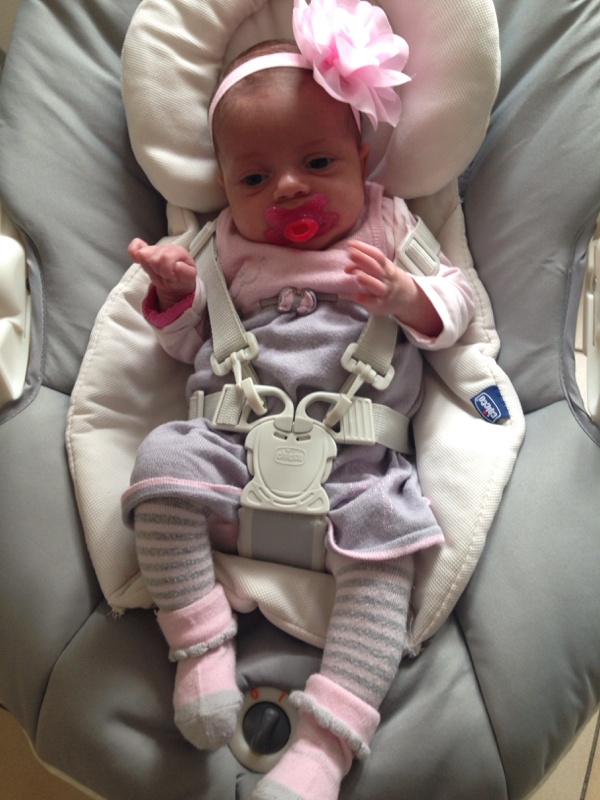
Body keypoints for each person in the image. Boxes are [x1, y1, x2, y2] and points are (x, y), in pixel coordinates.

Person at [122, 2, 474, 798]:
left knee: (392, 557)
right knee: (158, 466)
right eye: (254, 178)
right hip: (228, 450)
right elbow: (183, 347)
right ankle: (200, 644)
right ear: (224, 186)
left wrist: (408, 298)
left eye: (317, 162)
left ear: (363, 156)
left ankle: (328, 742)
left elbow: (460, 309)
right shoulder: (223, 243)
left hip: (355, 467)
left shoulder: (389, 226)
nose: (288, 189)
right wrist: (174, 296)